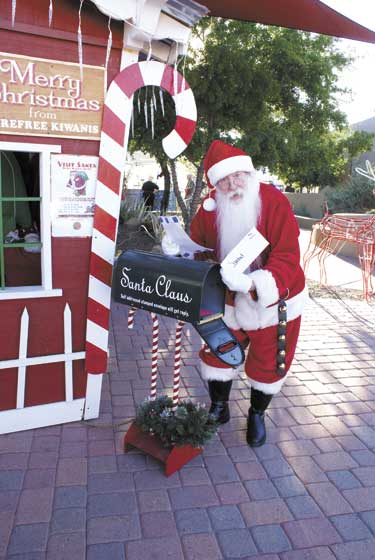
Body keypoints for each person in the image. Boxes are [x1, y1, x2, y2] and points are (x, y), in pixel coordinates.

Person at [189, 140, 307, 447]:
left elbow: (288, 256)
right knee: (218, 350)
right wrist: (183, 250)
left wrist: (254, 283)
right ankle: (219, 406)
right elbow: (199, 246)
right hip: (226, 298)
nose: (232, 185)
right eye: (224, 180)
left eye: (237, 176)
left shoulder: (274, 201)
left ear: (248, 172)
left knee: (270, 360)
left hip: (275, 299)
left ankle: (257, 413)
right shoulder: (211, 206)